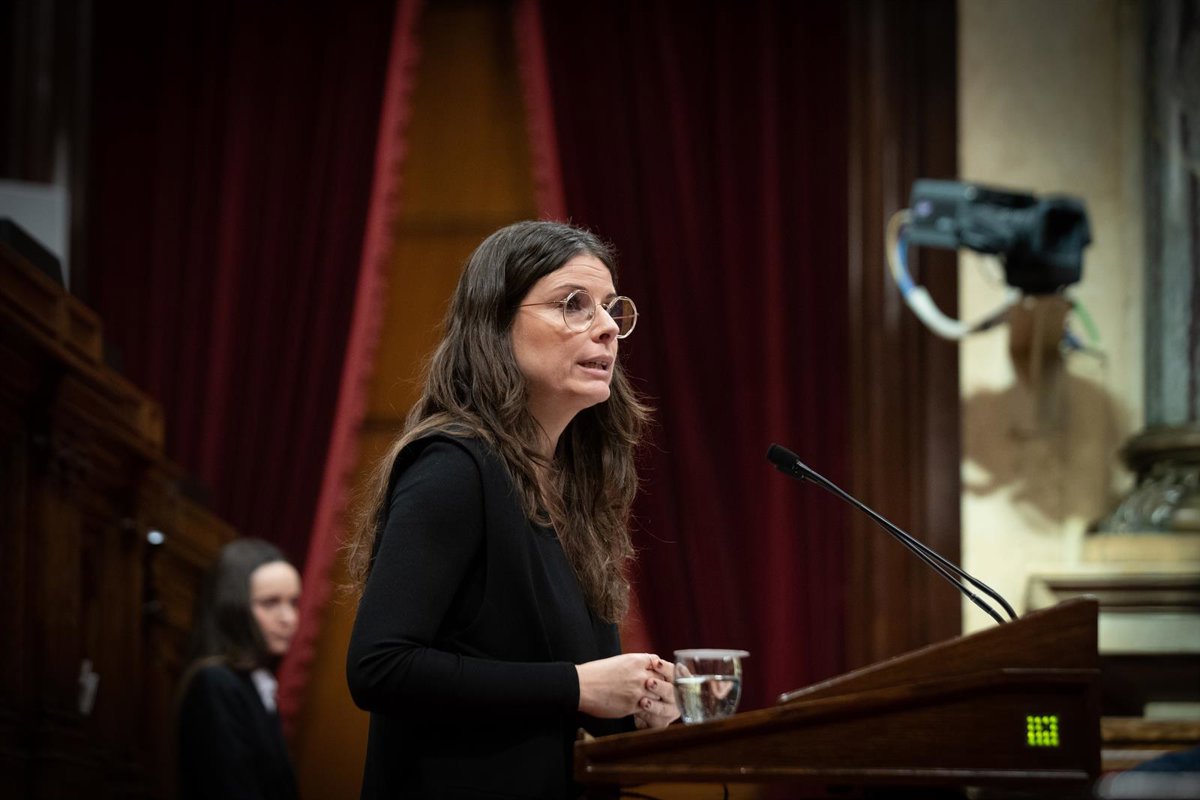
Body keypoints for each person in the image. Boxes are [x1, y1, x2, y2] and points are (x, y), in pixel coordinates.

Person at [345, 220, 679, 799]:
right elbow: (380, 667)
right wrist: (579, 686)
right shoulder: (454, 467)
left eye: (610, 308)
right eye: (573, 305)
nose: (606, 327)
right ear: (496, 323)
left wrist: (637, 709)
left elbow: (546, 698)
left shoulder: (575, 487)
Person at [177, 537, 302, 800]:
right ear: (235, 607)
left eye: (293, 603)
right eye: (270, 603)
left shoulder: (254, 680)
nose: (289, 618)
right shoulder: (215, 682)